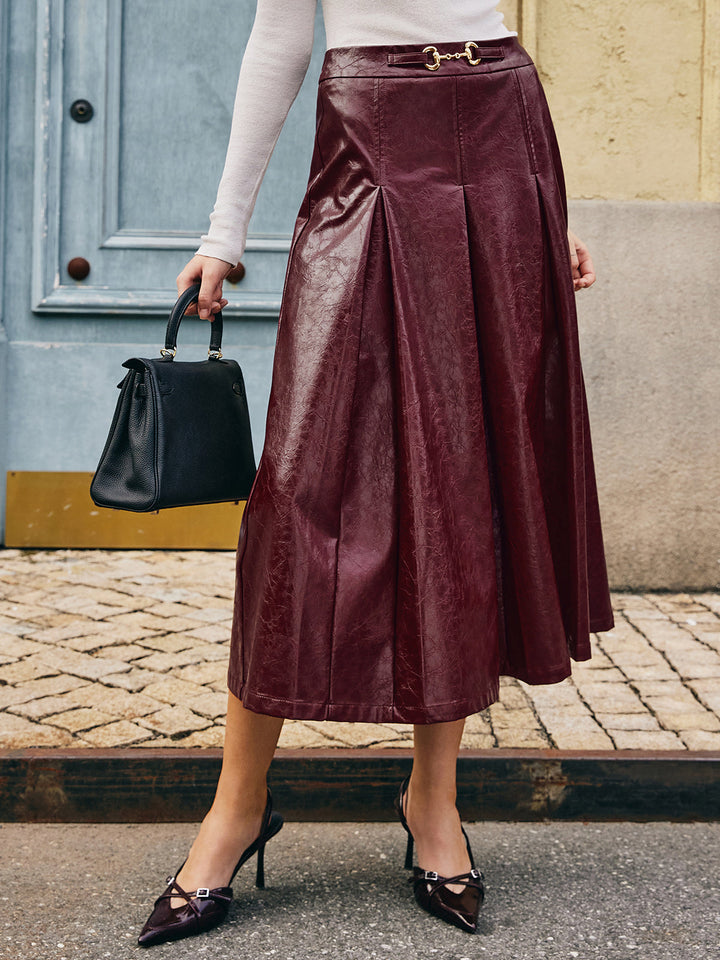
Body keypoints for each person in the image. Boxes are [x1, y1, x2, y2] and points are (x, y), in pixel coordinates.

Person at [138, 0, 614, 946]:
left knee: (464, 483)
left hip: (502, 121)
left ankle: (432, 804)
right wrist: (224, 233)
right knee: (299, 496)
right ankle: (237, 808)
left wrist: (541, 207)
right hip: (372, 138)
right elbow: (280, 39)